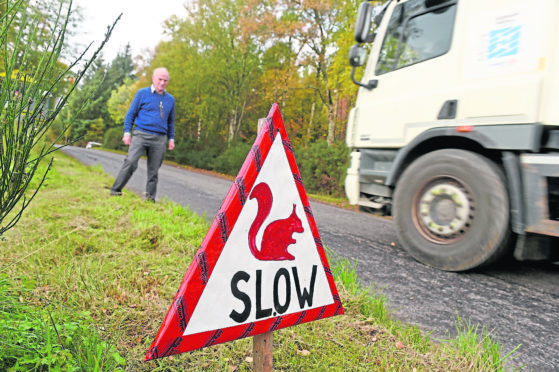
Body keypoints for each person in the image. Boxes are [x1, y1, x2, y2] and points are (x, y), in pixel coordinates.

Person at [110, 67, 175, 201]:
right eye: (160, 79)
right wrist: (127, 133)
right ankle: (116, 189)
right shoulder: (142, 93)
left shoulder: (170, 100)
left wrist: (171, 138)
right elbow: (130, 115)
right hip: (141, 134)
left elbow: (171, 122)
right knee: (131, 162)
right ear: (153, 79)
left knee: (154, 170)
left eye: (165, 80)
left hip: (159, 138)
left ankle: (150, 197)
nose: (162, 83)